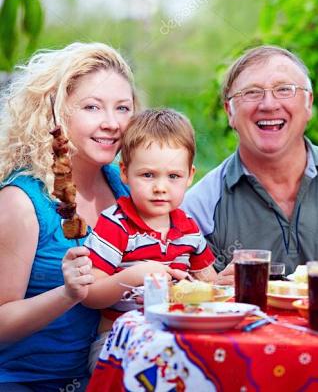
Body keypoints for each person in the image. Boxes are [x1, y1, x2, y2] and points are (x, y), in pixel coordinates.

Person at [183, 45, 318, 282]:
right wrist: (214, 292)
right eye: (251, 92)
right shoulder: (199, 207)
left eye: (284, 89)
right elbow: (184, 303)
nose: (268, 104)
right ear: (230, 112)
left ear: (308, 103)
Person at [0, 42, 139, 391]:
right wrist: (67, 294)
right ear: (56, 115)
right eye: (92, 107)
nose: (112, 123)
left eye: (122, 108)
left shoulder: (125, 188)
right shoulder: (22, 202)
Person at [82, 108, 218, 370]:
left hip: (175, 337)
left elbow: (208, 283)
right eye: (148, 175)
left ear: (190, 176)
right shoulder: (116, 225)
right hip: (119, 340)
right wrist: (136, 276)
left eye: (173, 176)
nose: (160, 187)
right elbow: (89, 295)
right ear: (124, 172)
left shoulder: (188, 227)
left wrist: (226, 281)